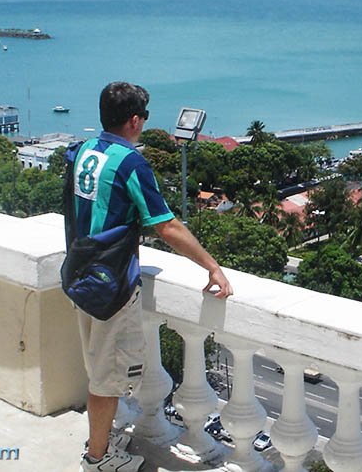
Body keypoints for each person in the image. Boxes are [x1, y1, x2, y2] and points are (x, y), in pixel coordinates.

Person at [71, 81, 233, 472]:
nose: (143, 124)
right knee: (107, 380)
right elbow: (167, 226)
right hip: (111, 283)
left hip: (80, 274)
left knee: (99, 369)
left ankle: (100, 441)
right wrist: (212, 266)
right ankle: (98, 458)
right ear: (133, 120)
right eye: (142, 118)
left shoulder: (83, 151)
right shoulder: (130, 163)